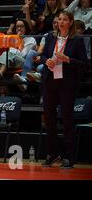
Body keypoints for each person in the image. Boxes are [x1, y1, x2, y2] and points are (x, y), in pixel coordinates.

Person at [40, 10, 87, 169]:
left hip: (67, 84)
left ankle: (69, 157)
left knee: (67, 120)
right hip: (50, 82)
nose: (61, 22)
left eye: (64, 19)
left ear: (71, 22)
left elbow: (84, 64)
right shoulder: (50, 38)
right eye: (59, 19)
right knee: (49, 120)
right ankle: (52, 153)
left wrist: (67, 59)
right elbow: (43, 56)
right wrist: (47, 61)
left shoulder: (77, 40)